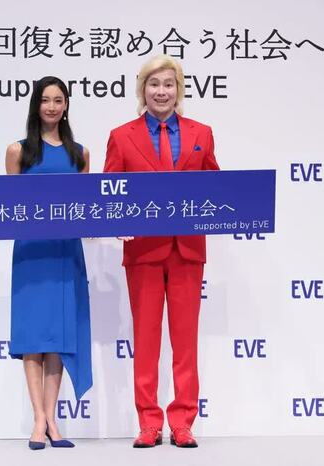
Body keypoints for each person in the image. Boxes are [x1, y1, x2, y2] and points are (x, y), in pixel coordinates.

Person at [103, 55, 220, 448]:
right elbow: (109, 191)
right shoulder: (122, 136)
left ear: (179, 89)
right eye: (154, 84)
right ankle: (149, 422)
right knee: (147, 339)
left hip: (187, 248)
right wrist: (115, 222)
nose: (161, 92)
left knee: (185, 342)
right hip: (143, 250)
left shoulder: (202, 132)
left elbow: (216, 186)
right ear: (143, 90)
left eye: (169, 84)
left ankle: (183, 422)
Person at [5, 76, 92, 450]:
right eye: (45, 100)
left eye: (58, 100)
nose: (52, 107)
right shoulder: (18, 151)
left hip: (65, 252)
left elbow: (87, 207)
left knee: (58, 337)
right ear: (35, 105)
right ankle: (38, 420)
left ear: (67, 105)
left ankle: (52, 420)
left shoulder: (80, 154)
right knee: (33, 338)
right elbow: (8, 207)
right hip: (31, 254)